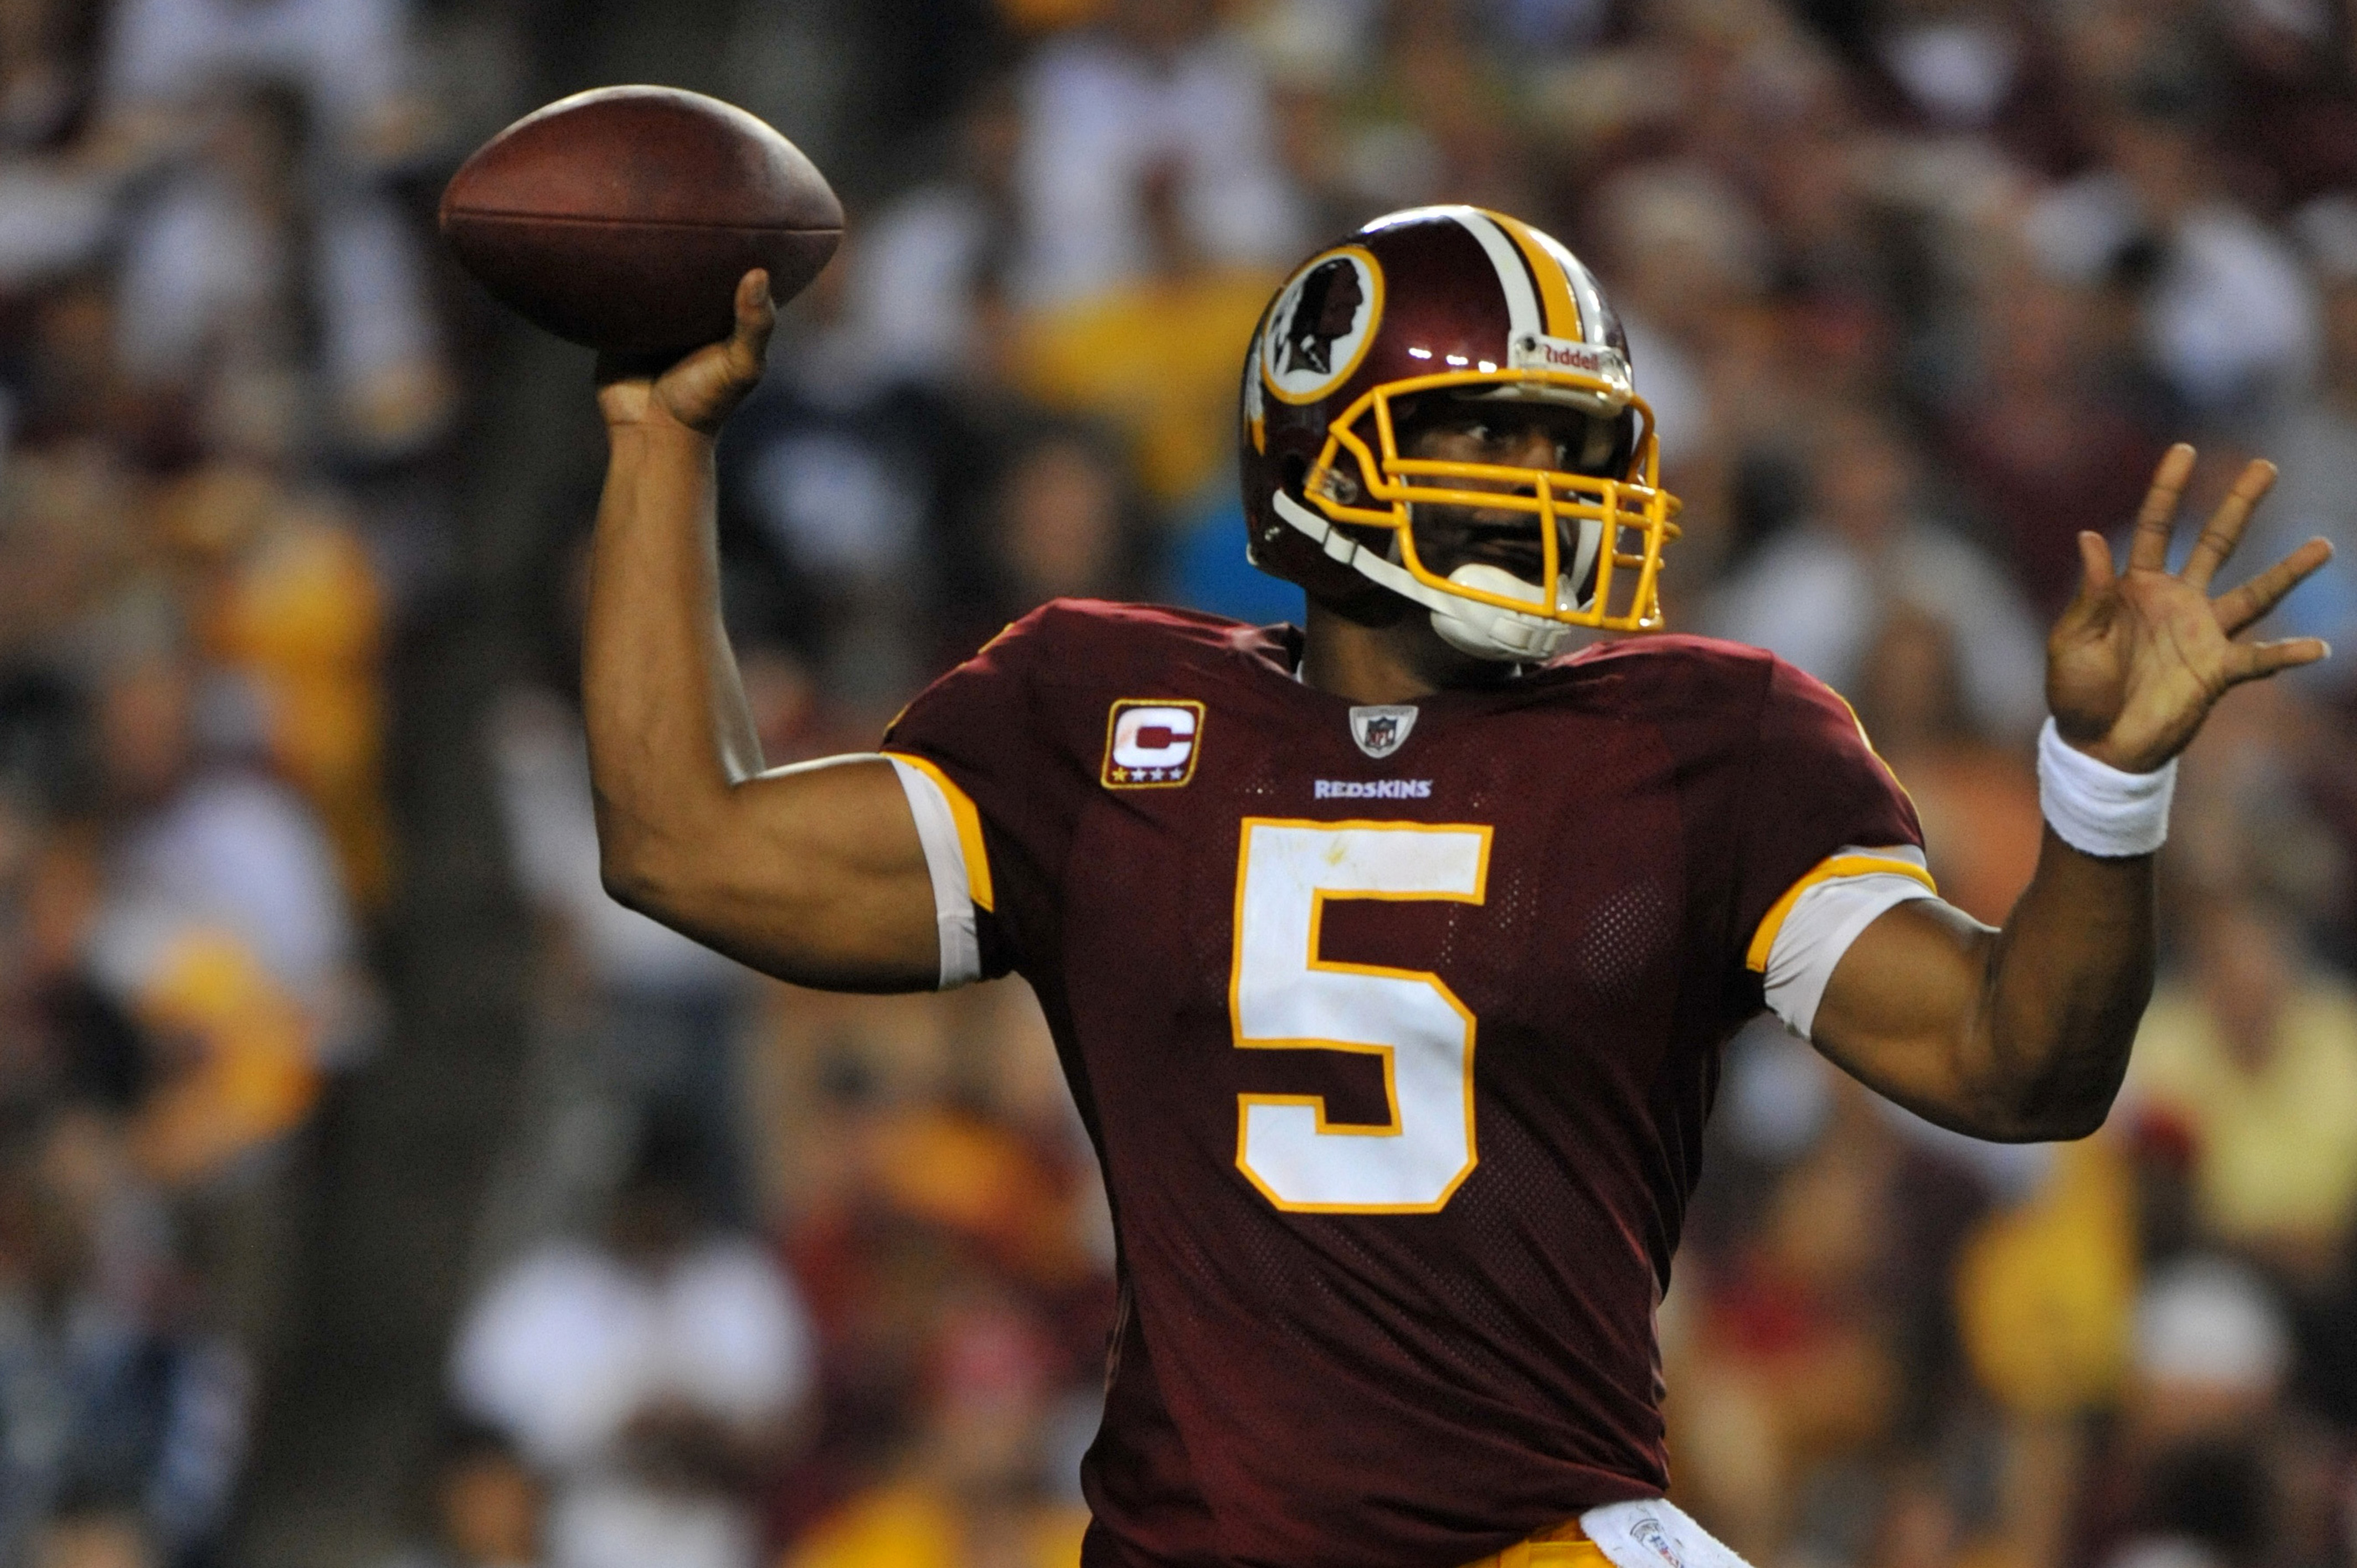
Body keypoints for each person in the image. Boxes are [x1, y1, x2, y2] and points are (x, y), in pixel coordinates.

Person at [577, 207, 2332, 1568]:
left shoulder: (1708, 737)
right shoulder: (1101, 710)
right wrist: (660, 438)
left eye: (1581, 449)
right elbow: (684, 843)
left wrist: (2107, 787)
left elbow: (2017, 1070)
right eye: (1501, 436)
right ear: (1319, 445)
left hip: (1535, 1537)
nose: (1557, 490)